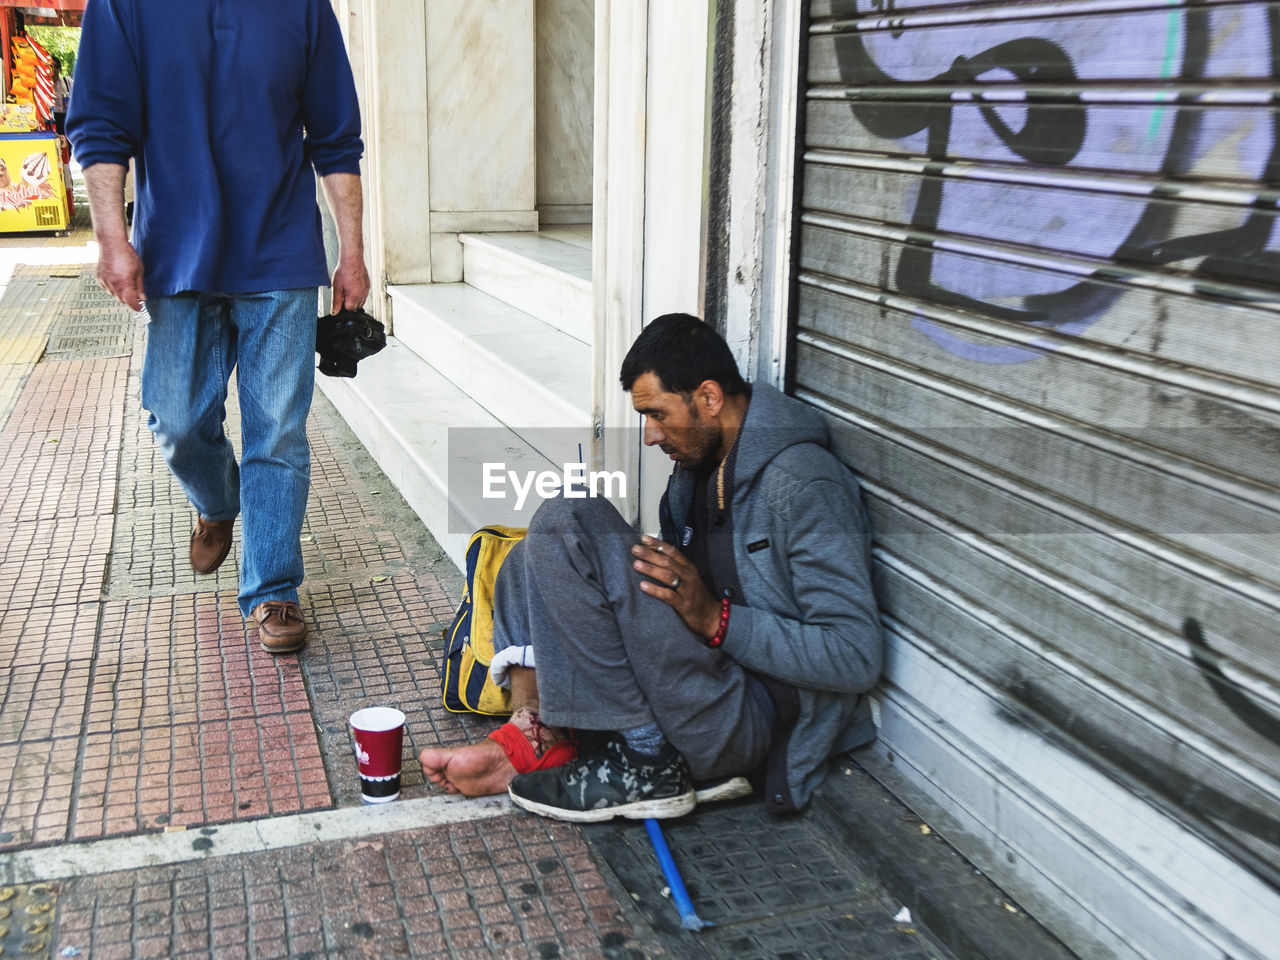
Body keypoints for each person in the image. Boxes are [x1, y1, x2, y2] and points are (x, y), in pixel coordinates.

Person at [420, 314, 883, 821]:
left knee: (569, 520)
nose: (649, 436)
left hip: (747, 716)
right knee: (528, 555)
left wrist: (716, 619)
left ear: (708, 398)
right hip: (697, 689)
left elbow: (856, 656)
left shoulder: (804, 486)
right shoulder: (694, 474)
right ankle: (537, 736)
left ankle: (645, 762)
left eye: (658, 414)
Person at [66, 1, 369, 654]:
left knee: (278, 430)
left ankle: (273, 589)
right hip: (177, 252)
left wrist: (351, 250)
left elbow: (336, 134)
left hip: (282, 249)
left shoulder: (303, 7)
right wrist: (111, 241)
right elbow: (99, 125)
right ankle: (217, 502)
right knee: (175, 417)